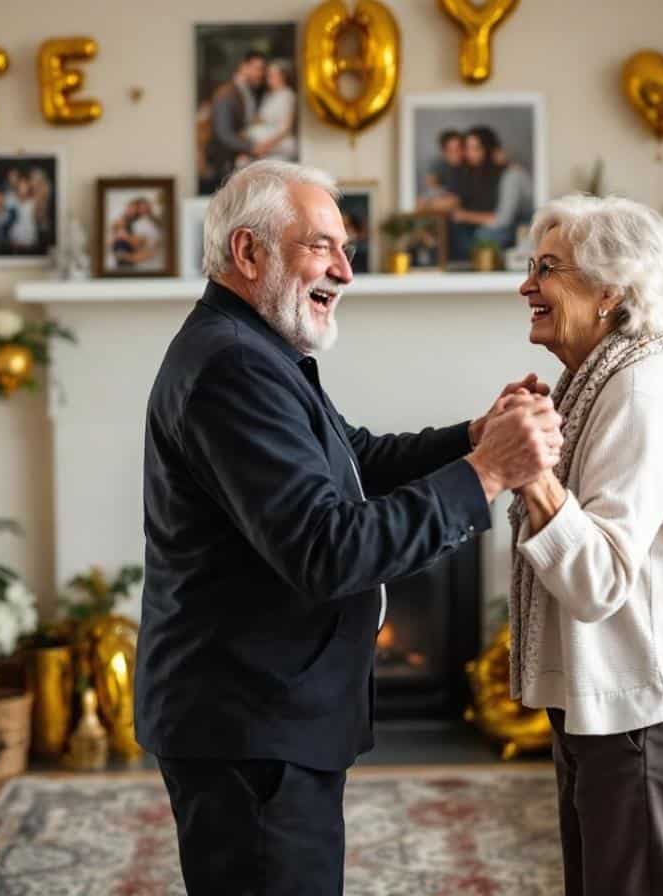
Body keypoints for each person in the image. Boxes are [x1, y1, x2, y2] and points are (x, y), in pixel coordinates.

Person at [137, 159, 561, 894]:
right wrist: (488, 472)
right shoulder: (235, 365)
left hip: (261, 714)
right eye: (322, 246)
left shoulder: (254, 348)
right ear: (248, 252)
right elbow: (328, 551)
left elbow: (356, 458)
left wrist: (474, 436)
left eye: (347, 249)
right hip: (250, 725)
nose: (345, 271)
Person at [508, 194, 663, 896]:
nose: (526, 286)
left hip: (650, 723)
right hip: (614, 713)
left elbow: (598, 580)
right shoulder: (596, 387)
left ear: (611, 291)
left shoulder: (640, 395)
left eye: (547, 269)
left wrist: (534, 474)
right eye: (531, 266)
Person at [452, 126, 533, 252]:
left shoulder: (511, 174)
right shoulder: (474, 173)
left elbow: (503, 219)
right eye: (467, 148)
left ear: (489, 150)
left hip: (520, 225)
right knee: (457, 230)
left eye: (476, 148)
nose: (470, 154)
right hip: (495, 224)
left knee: (483, 236)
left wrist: (465, 216)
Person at [202, 51, 266, 193]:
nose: (260, 74)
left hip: (238, 161)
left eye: (262, 70)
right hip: (223, 164)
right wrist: (251, 147)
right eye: (257, 68)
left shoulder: (247, 92)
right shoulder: (225, 94)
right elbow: (222, 133)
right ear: (243, 66)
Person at [244, 59, 298, 162]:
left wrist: (265, 146)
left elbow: (286, 128)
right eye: (268, 75)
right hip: (262, 145)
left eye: (272, 75)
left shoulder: (287, 95)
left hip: (278, 146)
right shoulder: (268, 96)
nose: (268, 78)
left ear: (283, 76)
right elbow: (259, 119)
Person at [418, 129, 465, 212]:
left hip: (459, 200)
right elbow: (431, 186)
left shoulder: (468, 164)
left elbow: (463, 195)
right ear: (443, 151)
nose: (456, 154)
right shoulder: (437, 163)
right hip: (441, 197)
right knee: (420, 201)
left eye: (458, 149)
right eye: (450, 150)